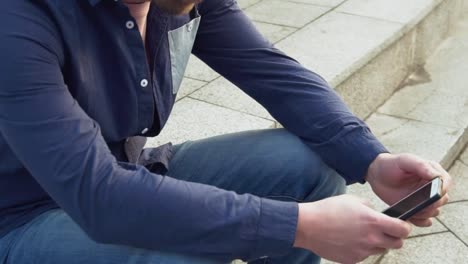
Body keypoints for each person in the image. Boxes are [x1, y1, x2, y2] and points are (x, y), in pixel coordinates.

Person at [0, 0, 452, 263]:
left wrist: (371, 159)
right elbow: (99, 196)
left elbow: (272, 72)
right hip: (21, 217)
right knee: (181, 253)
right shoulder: (18, 22)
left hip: (128, 170)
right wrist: (298, 226)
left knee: (310, 167)